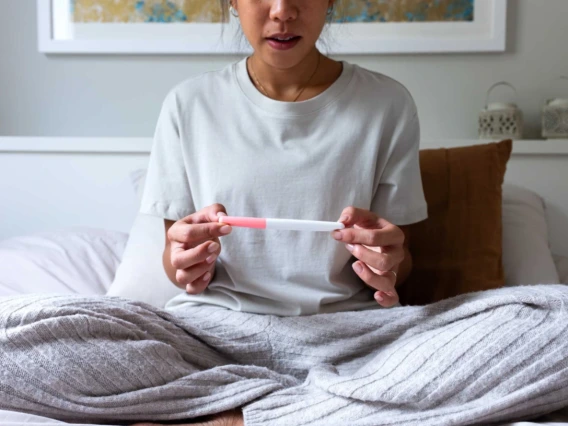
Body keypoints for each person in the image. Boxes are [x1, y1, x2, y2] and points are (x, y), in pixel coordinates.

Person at [135, 0, 427, 424]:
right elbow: (175, 255)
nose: (282, 11)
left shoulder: (387, 103)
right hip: (214, 337)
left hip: (349, 339)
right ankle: (309, 411)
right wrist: (183, 263)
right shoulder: (188, 104)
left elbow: (398, 261)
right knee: (22, 335)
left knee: (553, 326)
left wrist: (388, 264)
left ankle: (239, 412)